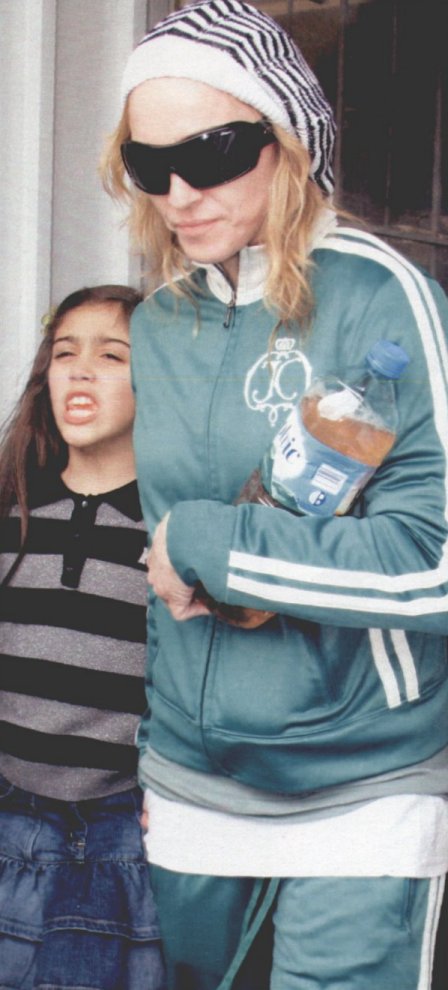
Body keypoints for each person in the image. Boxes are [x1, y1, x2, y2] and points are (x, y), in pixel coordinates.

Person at [102, 2, 448, 988]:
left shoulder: (382, 297)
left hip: (361, 782)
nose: (179, 193)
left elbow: (431, 564)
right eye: (147, 164)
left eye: (210, 153)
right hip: (192, 788)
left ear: (290, 142)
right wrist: (155, 751)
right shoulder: (160, 323)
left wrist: (209, 543)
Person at [0, 285, 166, 990]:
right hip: (11, 821)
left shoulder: (172, 529)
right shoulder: (13, 511)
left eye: (112, 356)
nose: (81, 370)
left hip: (124, 838)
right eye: (65, 353)